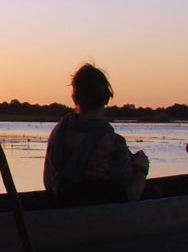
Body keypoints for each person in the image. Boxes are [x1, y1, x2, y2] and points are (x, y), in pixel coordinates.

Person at [43, 63, 150, 205]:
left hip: (64, 207)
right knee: (155, 193)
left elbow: (48, 183)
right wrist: (142, 168)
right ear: (106, 98)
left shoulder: (58, 134)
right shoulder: (113, 142)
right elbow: (132, 195)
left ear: (75, 98)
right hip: (100, 215)